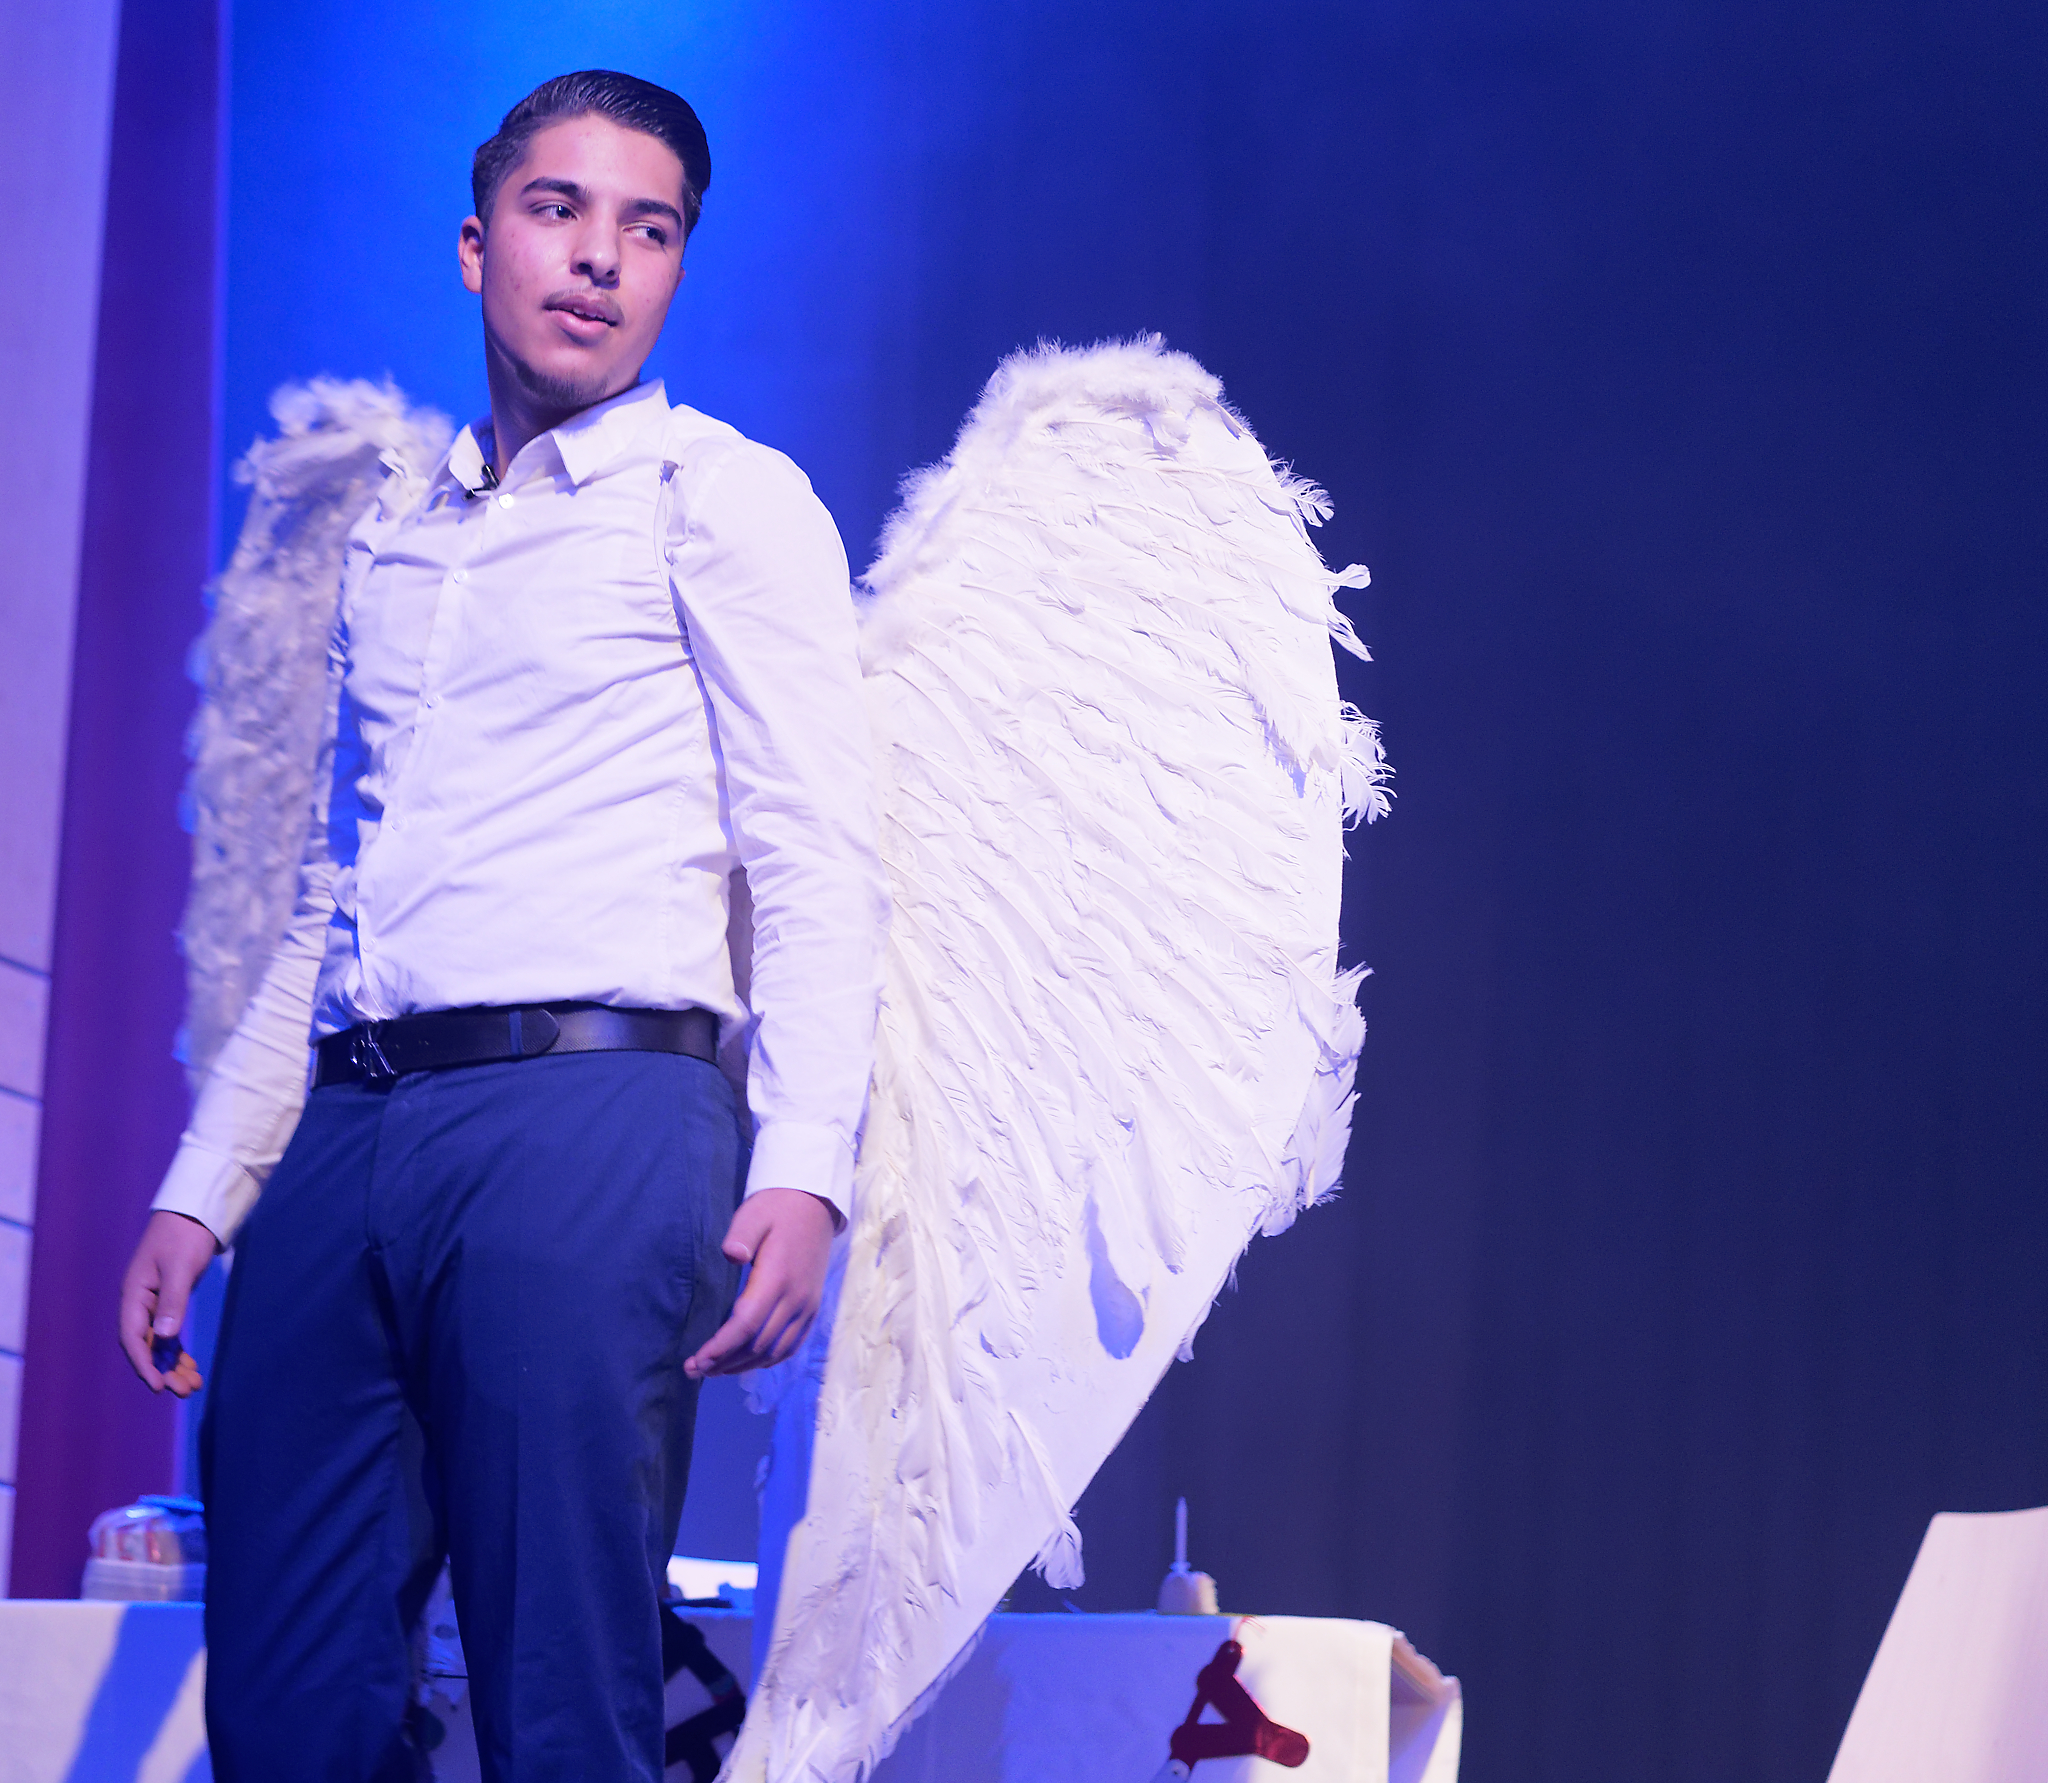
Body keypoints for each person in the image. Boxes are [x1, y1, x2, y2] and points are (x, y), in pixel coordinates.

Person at [114, 70, 884, 1783]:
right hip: (355, 1121)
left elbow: (819, 854)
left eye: (648, 229)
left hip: (594, 1110)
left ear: (677, 267)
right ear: (477, 246)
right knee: (288, 1694)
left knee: (560, 1686)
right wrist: (205, 1183)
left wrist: (806, 1162)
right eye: (560, 210)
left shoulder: (721, 495)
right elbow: (342, 892)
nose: (600, 257)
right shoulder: (398, 542)